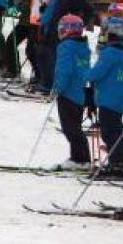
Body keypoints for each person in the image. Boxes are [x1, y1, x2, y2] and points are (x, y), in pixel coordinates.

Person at [86, 15, 123, 175]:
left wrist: (84, 74)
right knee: (116, 129)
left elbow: (97, 73)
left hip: (107, 99)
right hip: (120, 99)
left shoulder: (109, 54)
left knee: (110, 132)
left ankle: (119, 162)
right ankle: (122, 160)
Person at [38, 0, 94, 91]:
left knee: (54, 59)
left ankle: (51, 85)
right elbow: (53, 12)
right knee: (42, 55)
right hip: (51, 30)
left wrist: (78, 25)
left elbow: (89, 10)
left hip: (63, 34)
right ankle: (45, 82)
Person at [52, 14, 91, 170]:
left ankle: (80, 159)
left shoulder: (66, 47)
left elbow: (64, 70)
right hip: (79, 94)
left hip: (67, 93)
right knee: (75, 128)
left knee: (70, 129)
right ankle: (80, 158)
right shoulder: (83, 47)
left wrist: (58, 88)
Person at [17, 0, 51, 84]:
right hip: (34, 21)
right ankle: (39, 76)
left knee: (34, 52)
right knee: (32, 51)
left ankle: (40, 77)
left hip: (39, 23)